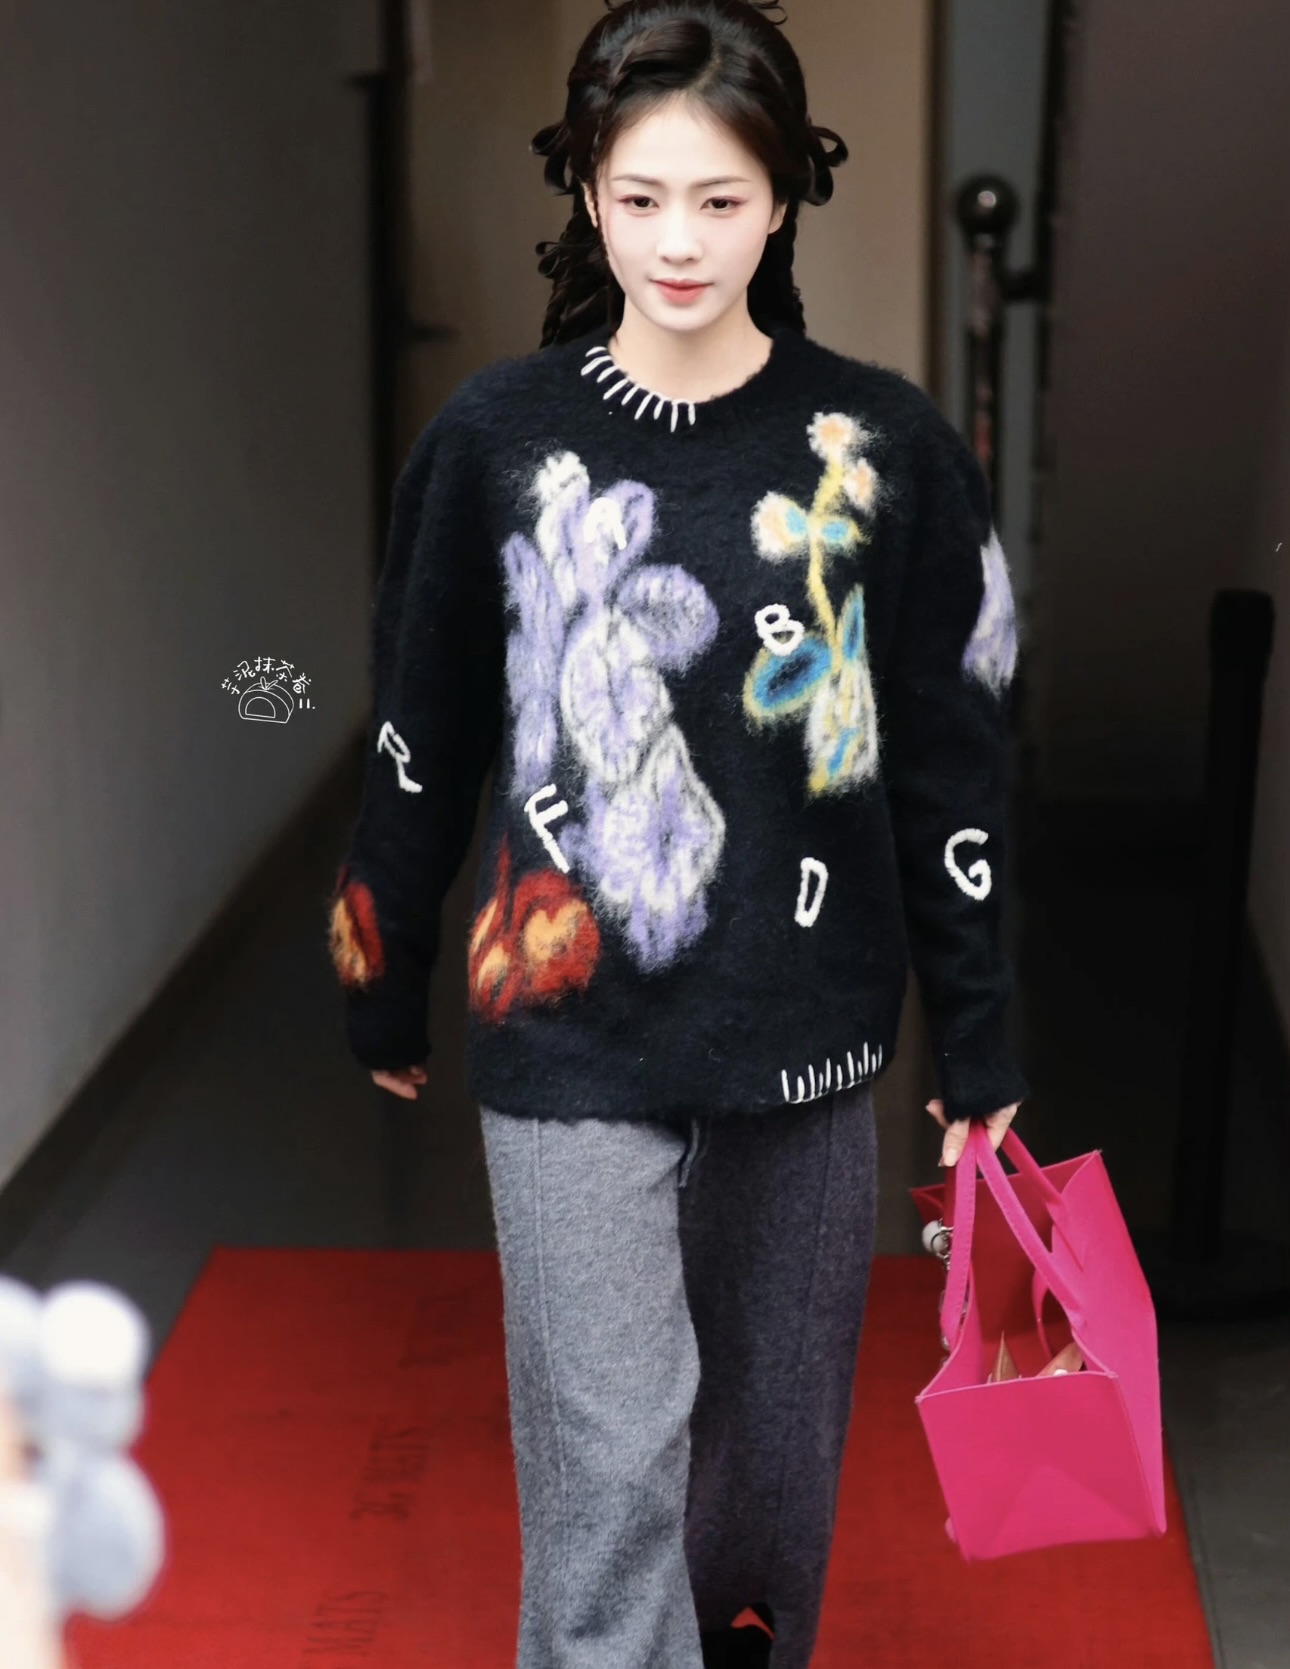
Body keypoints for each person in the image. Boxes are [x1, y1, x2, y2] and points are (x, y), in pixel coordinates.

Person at [325, 2, 1028, 1663]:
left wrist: (980, 1029)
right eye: (638, 197)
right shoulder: (493, 440)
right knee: (609, 1461)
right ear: (585, 191)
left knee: (766, 1486)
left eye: (719, 198)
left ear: (783, 197)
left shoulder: (882, 452)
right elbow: (423, 723)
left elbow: (952, 761)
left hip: (805, 1033)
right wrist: (383, 962)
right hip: (565, 1028)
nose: (678, 242)